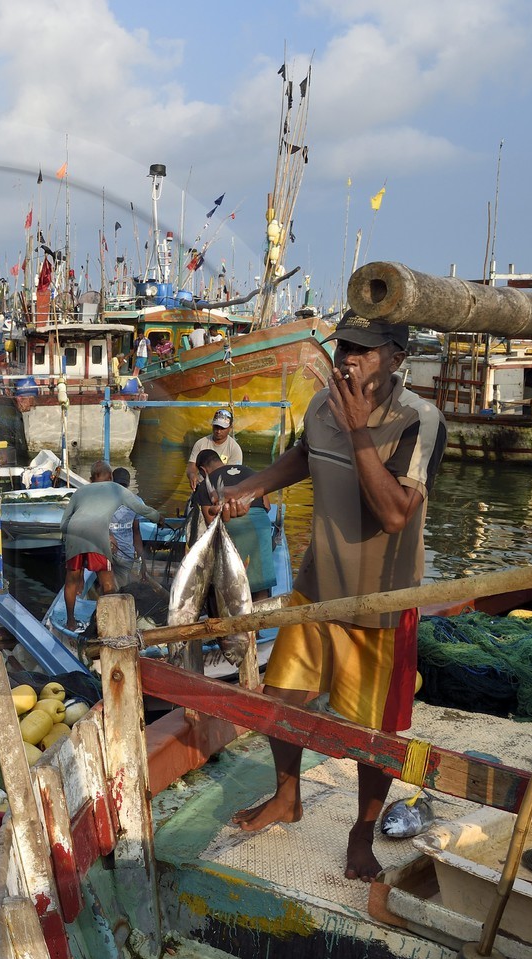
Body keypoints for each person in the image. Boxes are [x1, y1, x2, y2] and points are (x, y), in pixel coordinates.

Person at [220, 313, 446, 882]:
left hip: (381, 602)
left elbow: (397, 513)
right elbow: (304, 456)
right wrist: (250, 487)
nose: (348, 358)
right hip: (317, 589)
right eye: (344, 346)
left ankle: (361, 832)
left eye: (364, 351)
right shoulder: (322, 406)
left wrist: (359, 431)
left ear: (395, 357)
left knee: (375, 732)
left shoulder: (421, 420)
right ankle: (287, 797)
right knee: (281, 701)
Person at [57, 460, 159, 632]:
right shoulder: (116, 489)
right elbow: (142, 509)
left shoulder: (80, 492)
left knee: (71, 582)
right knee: (108, 583)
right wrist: (159, 518)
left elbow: (63, 524)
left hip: (75, 533)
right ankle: (111, 623)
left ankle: (71, 622)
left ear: (90, 478)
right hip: (98, 534)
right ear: (111, 477)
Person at [107, 467, 147, 585]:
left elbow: (136, 533)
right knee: (110, 585)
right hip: (108, 552)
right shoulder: (136, 501)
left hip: (124, 555)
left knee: (117, 587)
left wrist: (142, 562)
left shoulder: (137, 502)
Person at [185, 409, 244, 490]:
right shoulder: (201, 443)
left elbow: (234, 476)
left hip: (223, 489)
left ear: (230, 427)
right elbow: (192, 465)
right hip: (201, 486)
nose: (218, 431)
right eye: (216, 427)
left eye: (222, 428)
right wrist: (192, 475)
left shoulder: (235, 449)